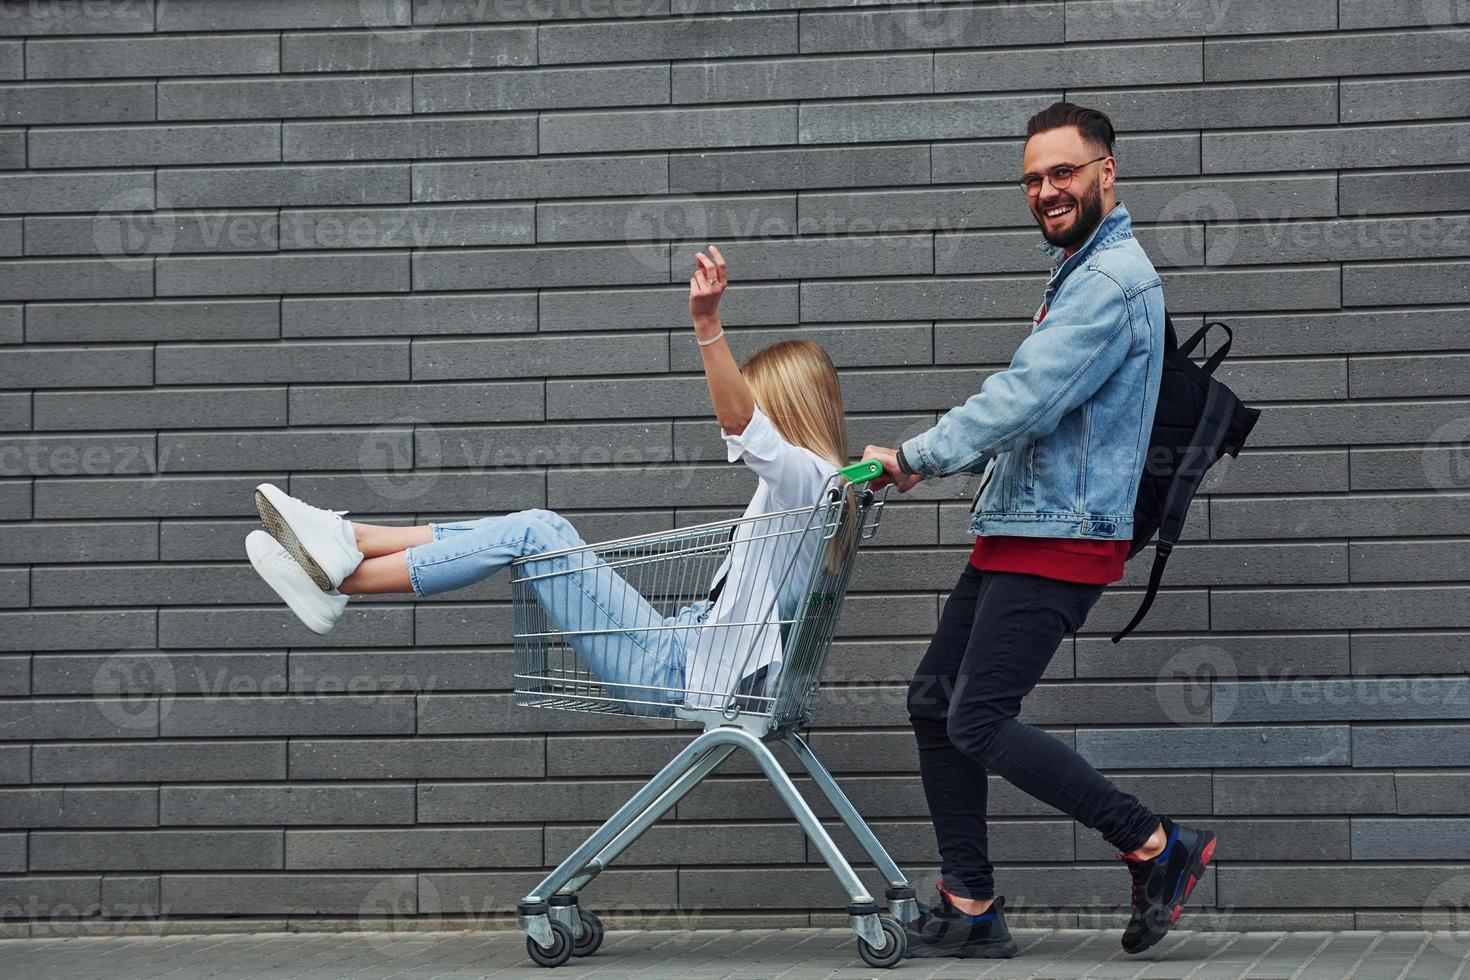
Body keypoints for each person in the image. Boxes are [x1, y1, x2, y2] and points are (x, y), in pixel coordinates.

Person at [864, 102, 1216, 959]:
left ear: (1107, 173)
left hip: (1061, 537)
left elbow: (1024, 398)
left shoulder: (1110, 281)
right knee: (935, 701)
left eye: (1063, 172)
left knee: (978, 719)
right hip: (1022, 527)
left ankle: (1155, 846)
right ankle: (972, 905)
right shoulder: (1080, 270)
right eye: (1032, 178)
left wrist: (913, 456)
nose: (1046, 190)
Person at [245, 245, 852, 716]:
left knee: (536, 531)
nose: (753, 410)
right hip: (682, 647)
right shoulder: (819, 489)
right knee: (516, 531)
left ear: (786, 406)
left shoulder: (810, 481)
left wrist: (706, 325)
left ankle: (342, 567)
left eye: (762, 400)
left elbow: (741, 423)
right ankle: (342, 549)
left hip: (681, 672)